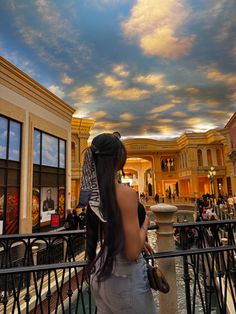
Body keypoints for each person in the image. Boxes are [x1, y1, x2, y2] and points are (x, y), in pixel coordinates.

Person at [79, 133, 157, 314]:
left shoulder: (92, 193)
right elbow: (131, 253)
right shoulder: (125, 193)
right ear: (117, 160)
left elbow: (110, 230)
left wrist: (134, 238)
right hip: (125, 280)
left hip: (101, 276)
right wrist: (144, 224)